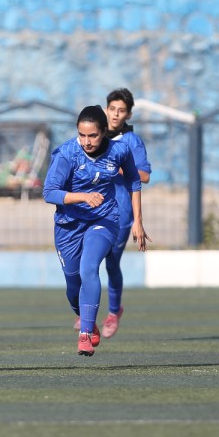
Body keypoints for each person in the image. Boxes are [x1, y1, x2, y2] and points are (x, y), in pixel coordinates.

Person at [43, 105, 150, 356]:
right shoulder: (67, 154)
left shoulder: (119, 150)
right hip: (68, 226)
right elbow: (49, 192)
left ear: (104, 133)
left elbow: (135, 181)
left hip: (104, 220)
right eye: (82, 135)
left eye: (92, 135)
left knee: (89, 267)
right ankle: (86, 317)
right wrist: (81, 197)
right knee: (72, 284)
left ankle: (85, 334)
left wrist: (138, 221)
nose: (87, 141)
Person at [95, 87, 152, 338]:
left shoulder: (131, 142)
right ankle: (86, 311)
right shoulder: (95, 137)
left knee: (111, 263)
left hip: (121, 212)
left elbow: (145, 175)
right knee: (88, 261)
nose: (116, 115)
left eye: (121, 111)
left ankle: (113, 311)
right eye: (112, 109)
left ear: (128, 115)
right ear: (106, 109)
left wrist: (119, 169)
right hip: (93, 209)